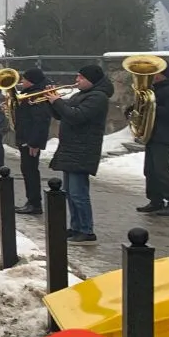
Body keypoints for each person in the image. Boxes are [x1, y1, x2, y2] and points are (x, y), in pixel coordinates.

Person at [46, 65, 113, 244]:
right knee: (70, 193)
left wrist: (57, 102)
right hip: (71, 149)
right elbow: (62, 115)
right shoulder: (80, 95)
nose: (77, 80)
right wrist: (50, 101)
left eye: (81, 77)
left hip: (83, 149)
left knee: (78, 194)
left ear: (92, 80)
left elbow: (77, 116)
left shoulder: (98, 97)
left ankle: (86, 230)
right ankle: (76, 227)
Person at [134, 62, 169, 216]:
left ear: (162, 75)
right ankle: (155, 200)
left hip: (164, 136)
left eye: (155, 73)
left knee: (162, 170)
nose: (152, 76)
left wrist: (150, 107)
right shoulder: (154, 90)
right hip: (152, 135)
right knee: (150, 170)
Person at [13, 69, 53, 215]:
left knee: (30, 171)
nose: (22, 81)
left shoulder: (36, 96)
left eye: (24, 79)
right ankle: (31, 202)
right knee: (27, 170)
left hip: (30, 140)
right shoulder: (30, 93)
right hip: (26, 137)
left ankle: (34, 204)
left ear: (31, 81)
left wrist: (35, 143)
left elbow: (41, 121)